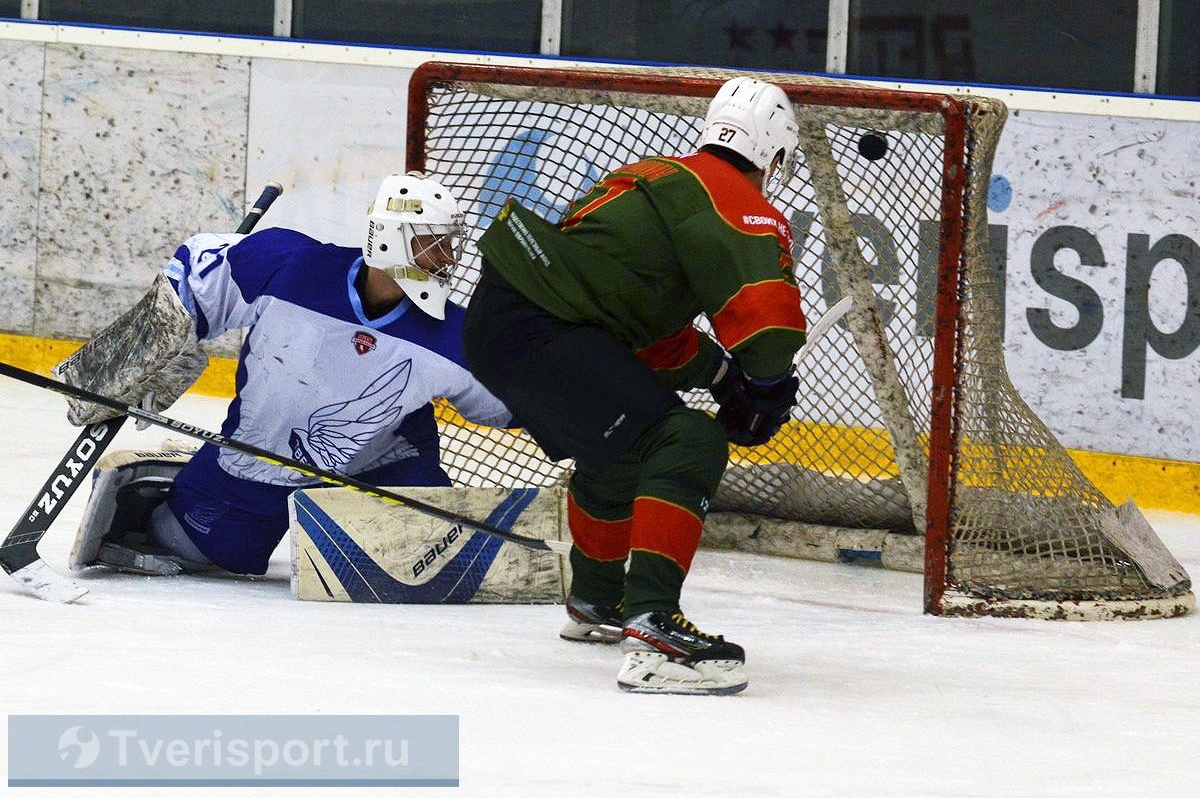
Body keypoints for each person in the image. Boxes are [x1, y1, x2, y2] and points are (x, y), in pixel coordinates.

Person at [462, 77, 806, 694]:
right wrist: (769, 384)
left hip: (499, 322)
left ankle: (596, 601)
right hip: (548, 331)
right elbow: (770, 322)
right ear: (774, 154)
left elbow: (643, 338)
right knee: (689, 442)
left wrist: (727, 378)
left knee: (621, 449)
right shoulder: (735, 200)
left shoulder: (654, 177)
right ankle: (654, 631)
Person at [66, 173, 512, 578]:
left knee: (423, 558)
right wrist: (145, 354)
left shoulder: (455, 334)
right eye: (436, 242)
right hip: (256, 459)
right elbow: (196, 270)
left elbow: (514, 404)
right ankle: (172, 490)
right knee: (194, 551)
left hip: (380, 467)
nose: (450, 256)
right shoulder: (291, 268)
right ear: (395, 241)